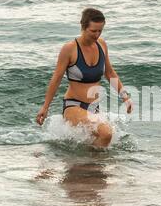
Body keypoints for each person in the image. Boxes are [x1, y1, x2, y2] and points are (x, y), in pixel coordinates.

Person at [36, 8, 133, 148]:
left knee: (103, 141)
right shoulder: (70, 49)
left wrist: (125, 97)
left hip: (94, 108)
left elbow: (110, 73)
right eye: (93, 31)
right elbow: (56, 78)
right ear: (83, 27)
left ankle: (88, 166)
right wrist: (45, 107)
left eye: (100, 30)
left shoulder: (102, 45)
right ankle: (92, 165)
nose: (97, 34)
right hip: (73, 105)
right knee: (106, 133)